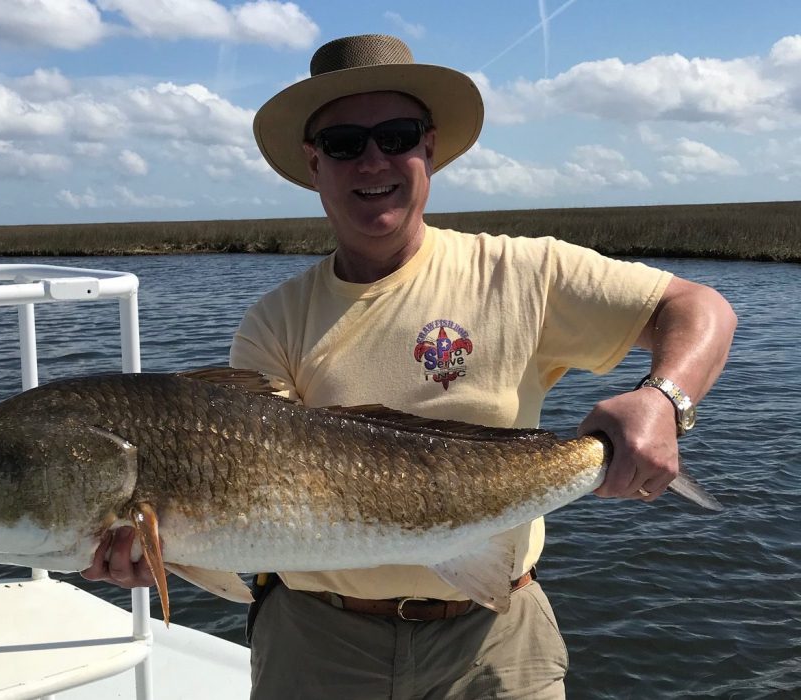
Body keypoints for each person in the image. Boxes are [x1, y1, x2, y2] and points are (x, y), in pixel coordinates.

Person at [83, 34, 737, 699]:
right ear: (314, 163)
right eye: (344, 144)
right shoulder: (274, 322)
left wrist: (663, 400)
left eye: (395, 136)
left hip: (495, 640)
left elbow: (699, 307)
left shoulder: (523, 273)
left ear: (429, 146)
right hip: (316, 644)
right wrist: (165, 551)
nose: (373, 159)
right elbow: (256, 494)